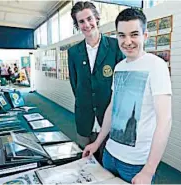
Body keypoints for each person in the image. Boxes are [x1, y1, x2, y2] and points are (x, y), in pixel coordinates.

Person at [83, 8, 172, 184]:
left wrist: (149, 170)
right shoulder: (119, 67)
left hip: (135, 163)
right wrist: (98, 142)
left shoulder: (156, 66)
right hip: (110, 154)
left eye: (134, 34)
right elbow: (112, 109)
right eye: (122, 35)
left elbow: (165, 120)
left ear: (145, 36)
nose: (128, 41)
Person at [68, 0, 124, 161]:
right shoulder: (74, 52)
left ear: (97, 18)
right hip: (84, 117)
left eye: (89, 19)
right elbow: (75, 84)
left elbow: (120, 84)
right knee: (85, 163)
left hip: (109, 117)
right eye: (81, 21)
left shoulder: (115, 46)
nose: (86, 24)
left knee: (107, 163)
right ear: (77, 24)